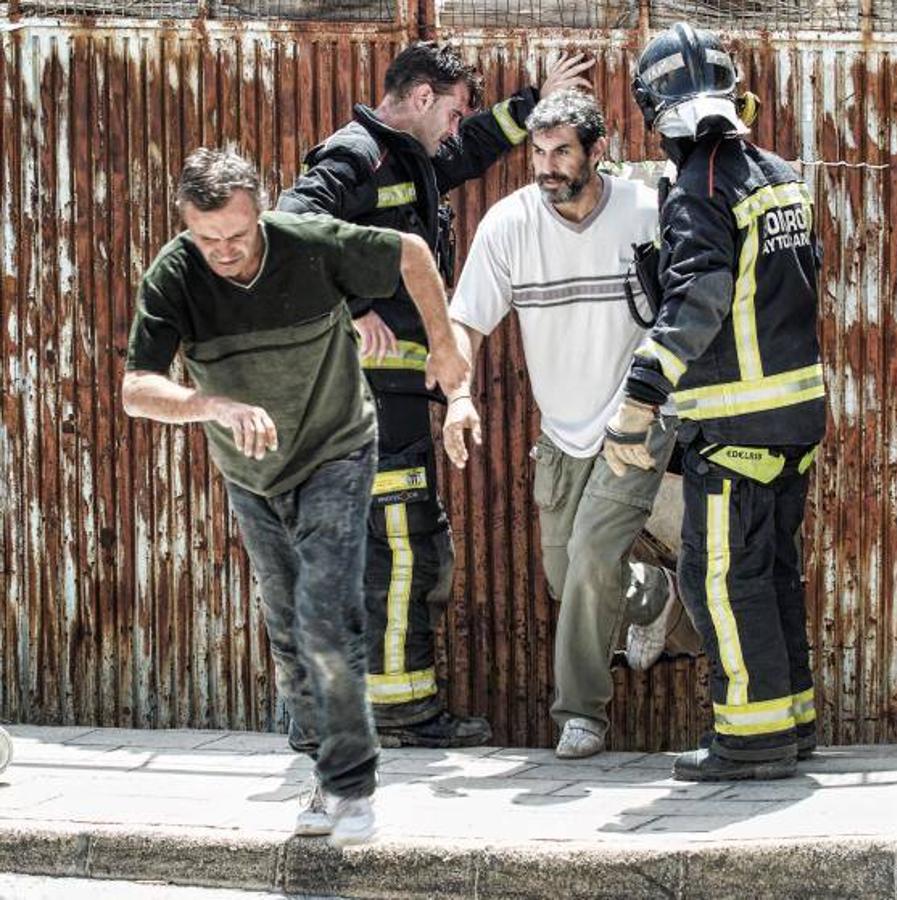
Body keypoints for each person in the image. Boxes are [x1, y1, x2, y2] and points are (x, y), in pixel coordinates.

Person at [121, 146, 467, 846]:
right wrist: (211, 406)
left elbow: (408, 252)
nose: (224, 252)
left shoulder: (308, 243)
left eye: (238, 236)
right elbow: (136, 391)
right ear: (187, 226)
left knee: (322, 606)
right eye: (206, 237)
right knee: (287, 627)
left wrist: (445, 345)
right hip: (252, 472)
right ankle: (320, 764)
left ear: (261, 213)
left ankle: (352, 783)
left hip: (337, 446)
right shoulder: (175, 275)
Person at [277, 43, 592, 749]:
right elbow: (285, 229)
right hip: (359, 395)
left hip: (389, 395)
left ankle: (325, 712)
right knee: (398, 545)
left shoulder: (407, 159)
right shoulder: (355, 156)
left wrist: (534, 101)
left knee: (374, 548)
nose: (454, 128)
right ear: (421, 97)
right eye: (450, 110)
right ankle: (397, 711)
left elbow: (471, 149)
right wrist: (347, 310)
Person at [605, 23, 826, 782]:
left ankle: (751, 738)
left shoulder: (700, 186)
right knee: (771, 572)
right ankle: (790, 721)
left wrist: (639, 400)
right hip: (794, 418)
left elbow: (700, 295)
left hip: (736, 423)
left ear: (652, 108)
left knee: (721, 576)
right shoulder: (777, 173)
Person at [442, 90, 689, 760]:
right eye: (538, 152)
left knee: (588, 560)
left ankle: (581, 714)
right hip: (561, 434)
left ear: (597, 151)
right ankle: (653, 595)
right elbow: (465, 321)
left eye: (561, 152)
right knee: (566, 575)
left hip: (638, 422)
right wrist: (460, 396)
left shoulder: (646, 212)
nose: (546, 167)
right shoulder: (509, 224)